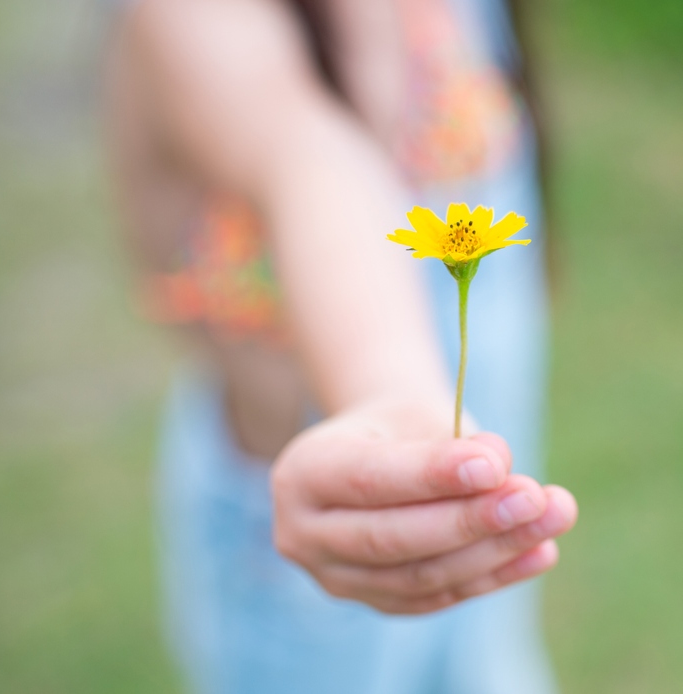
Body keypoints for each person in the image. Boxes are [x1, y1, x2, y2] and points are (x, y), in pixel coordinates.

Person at [102, 0, 578, 691]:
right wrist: (391, 396)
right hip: (320, 536)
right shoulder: (194, 20)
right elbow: (316, 169)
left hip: (475, 520)